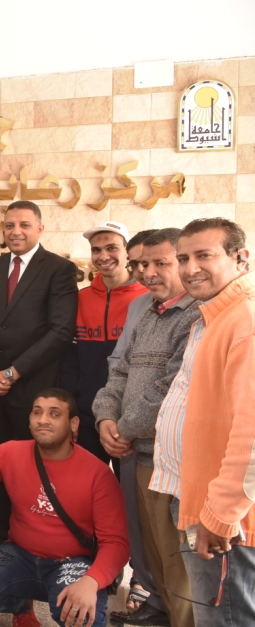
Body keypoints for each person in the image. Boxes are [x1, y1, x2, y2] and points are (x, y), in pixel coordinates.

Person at [92, 228, 200, 627]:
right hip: (136, 453)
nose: (148, 272)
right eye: (142, 264)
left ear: (183, 263)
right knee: (151, 551)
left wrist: (122, 428)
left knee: (177, 560)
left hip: (169, 459)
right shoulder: (151, 311)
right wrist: (105, 417)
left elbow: (172, 387)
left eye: (160, 263)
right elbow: (120, 371)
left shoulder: (196, 315)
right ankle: (160, 612)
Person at [151, 218, 255, 626]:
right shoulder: (215, 317)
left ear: (240, 258)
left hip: (225, 518)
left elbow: (251, 434)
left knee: (225, 618)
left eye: (204, 256)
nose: (190, 268)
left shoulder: (245, 322)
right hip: (204, 503)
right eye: (183, 258)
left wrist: (221, 514)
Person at [0, 389, 130, 627]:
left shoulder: (98, 474)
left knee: (80, 615)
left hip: (71, 561)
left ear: (74, 424)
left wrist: (92, 580)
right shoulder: (11, 452)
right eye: (37, 412)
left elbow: (117, 543)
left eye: (54, 414)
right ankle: (20, 604)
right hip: (19, 555)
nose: (43, 420)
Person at [0, 200, 77, 549]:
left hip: (31, 392)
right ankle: (1, 541)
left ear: (40, 229)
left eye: (24, 225)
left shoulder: (59, 269)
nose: (15, 232)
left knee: (31, 471)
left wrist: (13, 373)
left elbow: (60, 331)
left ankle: (30, 542)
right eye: (9, 225)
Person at [60, 222, 148, 465]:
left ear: (127, 252)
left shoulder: (146, 299)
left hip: (131, 418)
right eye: (96, 250)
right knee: (86, 483)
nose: (103, 256)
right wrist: (69, 412)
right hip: (86, 415)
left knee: (128, 488)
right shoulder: (80, 299)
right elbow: (69, 363)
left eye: (111, 248)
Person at [107, 229, 157, 373]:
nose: (141, 270)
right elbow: (118, 358)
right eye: (134, 264)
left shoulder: (198, 307)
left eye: (146, 263)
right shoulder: (137, 305)